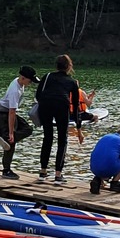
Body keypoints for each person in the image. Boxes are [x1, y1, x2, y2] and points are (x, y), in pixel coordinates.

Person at [35, 54, 82, 183]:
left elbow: (38, 95)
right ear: (69, 66)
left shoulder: (47, 76)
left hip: (46, 106)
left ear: (56, 66)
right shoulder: (72, 82)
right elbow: (76, 106)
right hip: (62, 106)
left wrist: (45, 104)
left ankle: (43, 172)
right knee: (62, 140)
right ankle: (58, 175)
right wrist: (78, 127)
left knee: (47, 137)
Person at [0, 66, 37, 179]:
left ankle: (6, 139)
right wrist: (12, 133)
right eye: (30, 80)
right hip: (4, 114)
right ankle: (6, 170)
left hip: (8, 112)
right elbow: (12, 112)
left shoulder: (20, 83)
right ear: (22, 78)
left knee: (28, 129)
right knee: (11, 140)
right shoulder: (15, 91)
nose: (31, 83)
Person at [89, 127, 120, 194]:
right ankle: (115, 183)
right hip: (108, 167)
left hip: (93, 168)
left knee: (104, 157)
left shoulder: (105, 137)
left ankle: (97, 180)